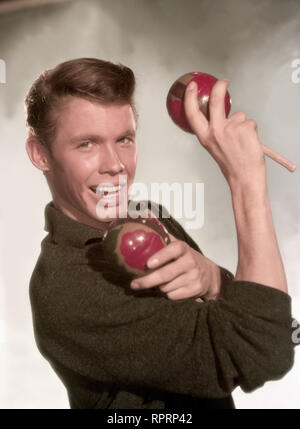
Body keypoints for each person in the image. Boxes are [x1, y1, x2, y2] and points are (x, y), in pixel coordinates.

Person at [25, 58, 296, 409]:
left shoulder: (149, 216)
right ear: (40, 154)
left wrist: (214, 279)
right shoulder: (64, 287)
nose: (116, 164)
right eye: (87, 144)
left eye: (124, 139)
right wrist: (247, 183)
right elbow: (264, 352)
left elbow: (277, 322)